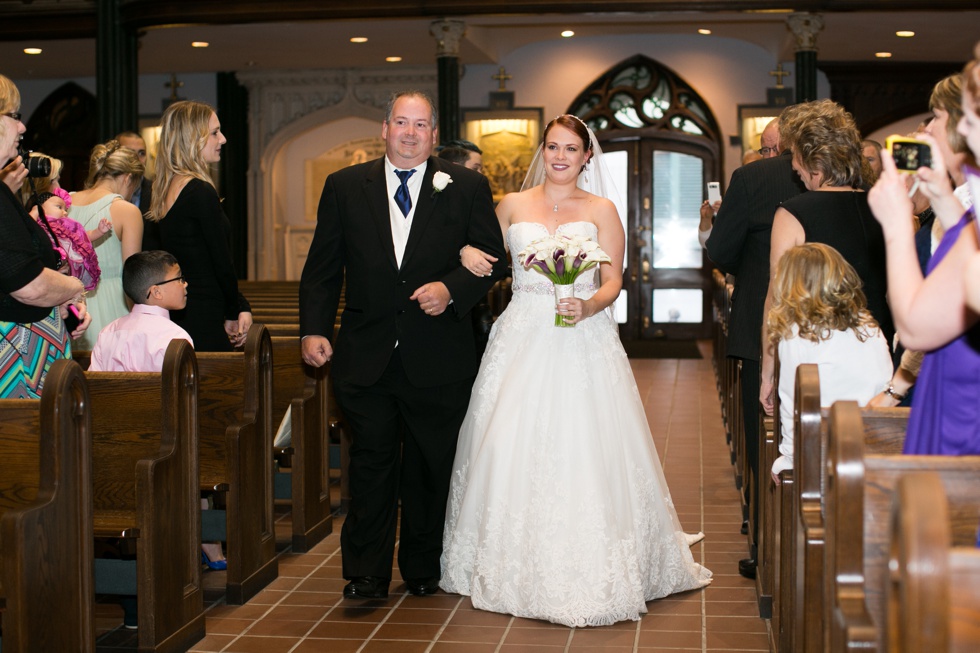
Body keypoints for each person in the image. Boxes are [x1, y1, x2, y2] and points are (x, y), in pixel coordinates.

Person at [439, 114, 712, 627]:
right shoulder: (512, 205)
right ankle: (505, 559)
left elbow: (613, 280)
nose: (560, 156)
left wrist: (589, 306)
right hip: (521, 333)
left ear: (587, 156)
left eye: (571, 148)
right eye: (552, 147)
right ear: (541, 151)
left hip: (582, 332)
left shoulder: (602, 209)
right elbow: (486, 255)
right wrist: (464, 249)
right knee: (506, 440)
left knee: (584, 441)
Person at [299, 90, 507, 600]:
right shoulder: (346, 186)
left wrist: (451, 289)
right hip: (366, 354)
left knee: (430, 465)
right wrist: (314, 328)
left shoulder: (467, 186)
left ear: (434, 134)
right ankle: (366, 574)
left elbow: (493, 261)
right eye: (401, 122)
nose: (410, 133)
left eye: (420, 125)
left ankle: (422, 566)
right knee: (370, 464)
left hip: (438, 353)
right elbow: (322, 268)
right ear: (384, 128)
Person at [703, 105, 807, 580]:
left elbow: (720, 252)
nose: (768, 156)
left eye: (771, 148)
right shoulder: (850, 183)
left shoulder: (751, 179)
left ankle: (765, 540)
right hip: (829, 323)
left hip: (760, 318)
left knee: (763, 431)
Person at [867, 46, 980, 455]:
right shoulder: (966, 199)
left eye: (969, 117)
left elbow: (917, 327)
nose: (961, 131)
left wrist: (897, 223)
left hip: (965, 398)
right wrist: (945, 201)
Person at [761, 99, 895, 416]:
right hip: (878, 346)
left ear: (815, 167)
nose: (793, 168)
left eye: (795, 161)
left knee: (811, 451)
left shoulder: (793, 213)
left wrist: (768, 368)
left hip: (817, 350)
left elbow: (777, 297)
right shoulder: (885, 207)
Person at [767, 243, 892, 481]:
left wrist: (788, 458)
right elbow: (885, 384)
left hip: (823, 452)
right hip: (875, 446)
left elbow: (793, 403)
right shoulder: (868, 325)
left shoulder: (796, 333)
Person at [0, 73, 91, 398]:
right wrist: (74, 288)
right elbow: (29, 285)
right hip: (14, 355)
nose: (23, 128)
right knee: (21, 445)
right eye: (14, 116)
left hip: (25, 346)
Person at [148, 101, 251, 352]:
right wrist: (236, 308)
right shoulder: (199, 190)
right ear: (193, 138)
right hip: (205, 309)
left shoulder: (165, 187)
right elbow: (221, 261)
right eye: (215, 132)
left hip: (183, 307)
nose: (223, 139)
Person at [69, 140, 145, 350]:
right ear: (129, 178)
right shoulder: (126, 210)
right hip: (114, 306)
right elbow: (133, 276)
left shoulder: (66, 202)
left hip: (72, 308)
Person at [25, 189, 105, 291]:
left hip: (63, 267)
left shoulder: (66, 226)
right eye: (59, 207)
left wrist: (98, 231)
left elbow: (80, 238)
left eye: (66, 209)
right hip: (43, 267)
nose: (65, 212)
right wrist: (35, 211)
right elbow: (27, 228)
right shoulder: (39, 224)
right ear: (40, 207)